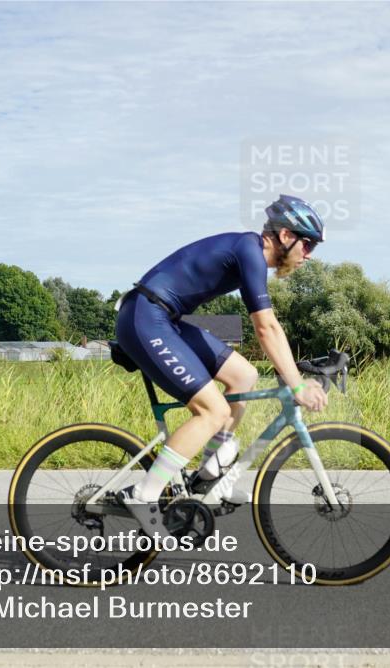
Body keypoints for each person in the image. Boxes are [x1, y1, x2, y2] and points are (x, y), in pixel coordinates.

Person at [113, 194, 329, 538]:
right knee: (211, 411)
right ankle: (145, 493)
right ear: (286, 236)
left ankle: (211, 468)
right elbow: (266, 328)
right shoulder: (250, 251)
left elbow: (268, 330)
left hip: (163, 317)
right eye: (308, 245)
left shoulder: (249, 253)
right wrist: (297, 385)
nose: (309, 255)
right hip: (144, 316)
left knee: (244, 375)